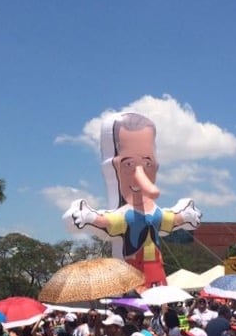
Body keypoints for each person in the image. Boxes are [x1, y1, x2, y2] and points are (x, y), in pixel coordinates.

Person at [67, 112, 201, 287]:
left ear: (156, 165)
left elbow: (173, 219)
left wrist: (186, 216)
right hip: (133, 267)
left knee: (158, 293)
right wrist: (90, 218)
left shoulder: (156, 213)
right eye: (128, 164)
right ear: (114, 166)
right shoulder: (127, 215)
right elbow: (107, 222)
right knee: (137, 292)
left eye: (147, 164)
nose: (140, 174)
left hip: (157, 267)